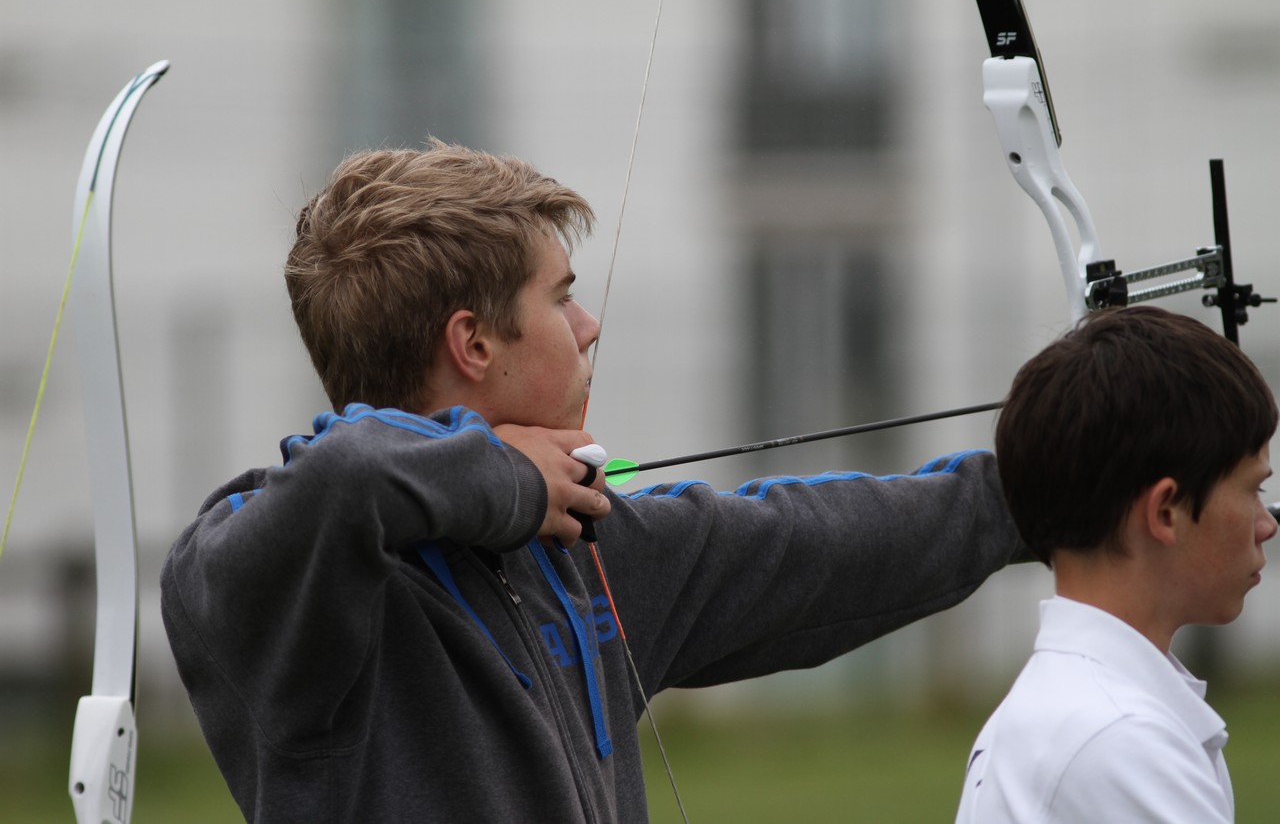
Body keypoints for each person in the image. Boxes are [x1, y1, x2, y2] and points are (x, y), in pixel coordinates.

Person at [161, 139, 1026, 823]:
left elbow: (815, 539)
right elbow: (348, 472)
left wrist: (1039, 490)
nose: (590, 324)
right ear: (474, 343)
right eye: (560, 297)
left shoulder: (576, 553)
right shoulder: (278, 584)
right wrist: (511, 480)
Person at [955, 306, 1277, 823]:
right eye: (1253, 490)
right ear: (1166, 510)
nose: (1267, 524)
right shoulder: (1117, 736)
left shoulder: (1087, 710)